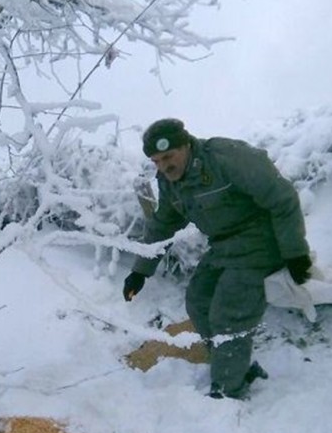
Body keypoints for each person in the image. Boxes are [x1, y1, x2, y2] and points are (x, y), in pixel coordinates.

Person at [123, 118, 312, 401]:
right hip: (223, 246)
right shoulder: (170, 181)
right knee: (198, 301)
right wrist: (140, 272)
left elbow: (282, 197)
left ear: (185, 145)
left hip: (261, 240)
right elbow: (163, 224)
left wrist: (296, 253)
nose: (163, 166)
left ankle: (227, 392)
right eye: (156, 161)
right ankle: (234, 366)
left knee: (229, 313)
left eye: (168, 157)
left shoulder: (226, 158)